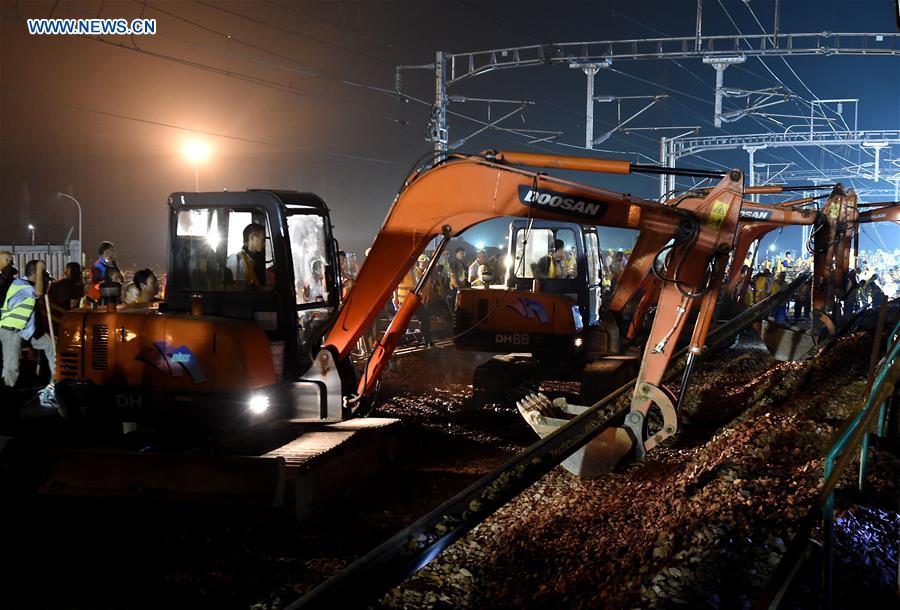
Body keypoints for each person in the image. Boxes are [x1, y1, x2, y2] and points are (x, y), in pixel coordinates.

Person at [1, 260, 53, 388]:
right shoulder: (21, 284)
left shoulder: (28, 285)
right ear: (35, 275)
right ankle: (7, 390)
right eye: (45, 279)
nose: (47, 283)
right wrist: (41, 269)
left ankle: (55, 382)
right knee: (12, 364)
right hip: (11, 330)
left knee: (51, 345)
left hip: (26, 330)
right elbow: (39, 292)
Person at [226, 223, 267, 288]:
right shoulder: (236, 260)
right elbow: (235, 289)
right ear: (252, 238)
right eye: (263, 240)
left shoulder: (253, 261)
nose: (265, 244)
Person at [48, 262, 85, 332]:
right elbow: (72, 306)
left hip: (53, 318)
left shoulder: (63, 283)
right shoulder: (67, 285)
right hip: (59, 319)